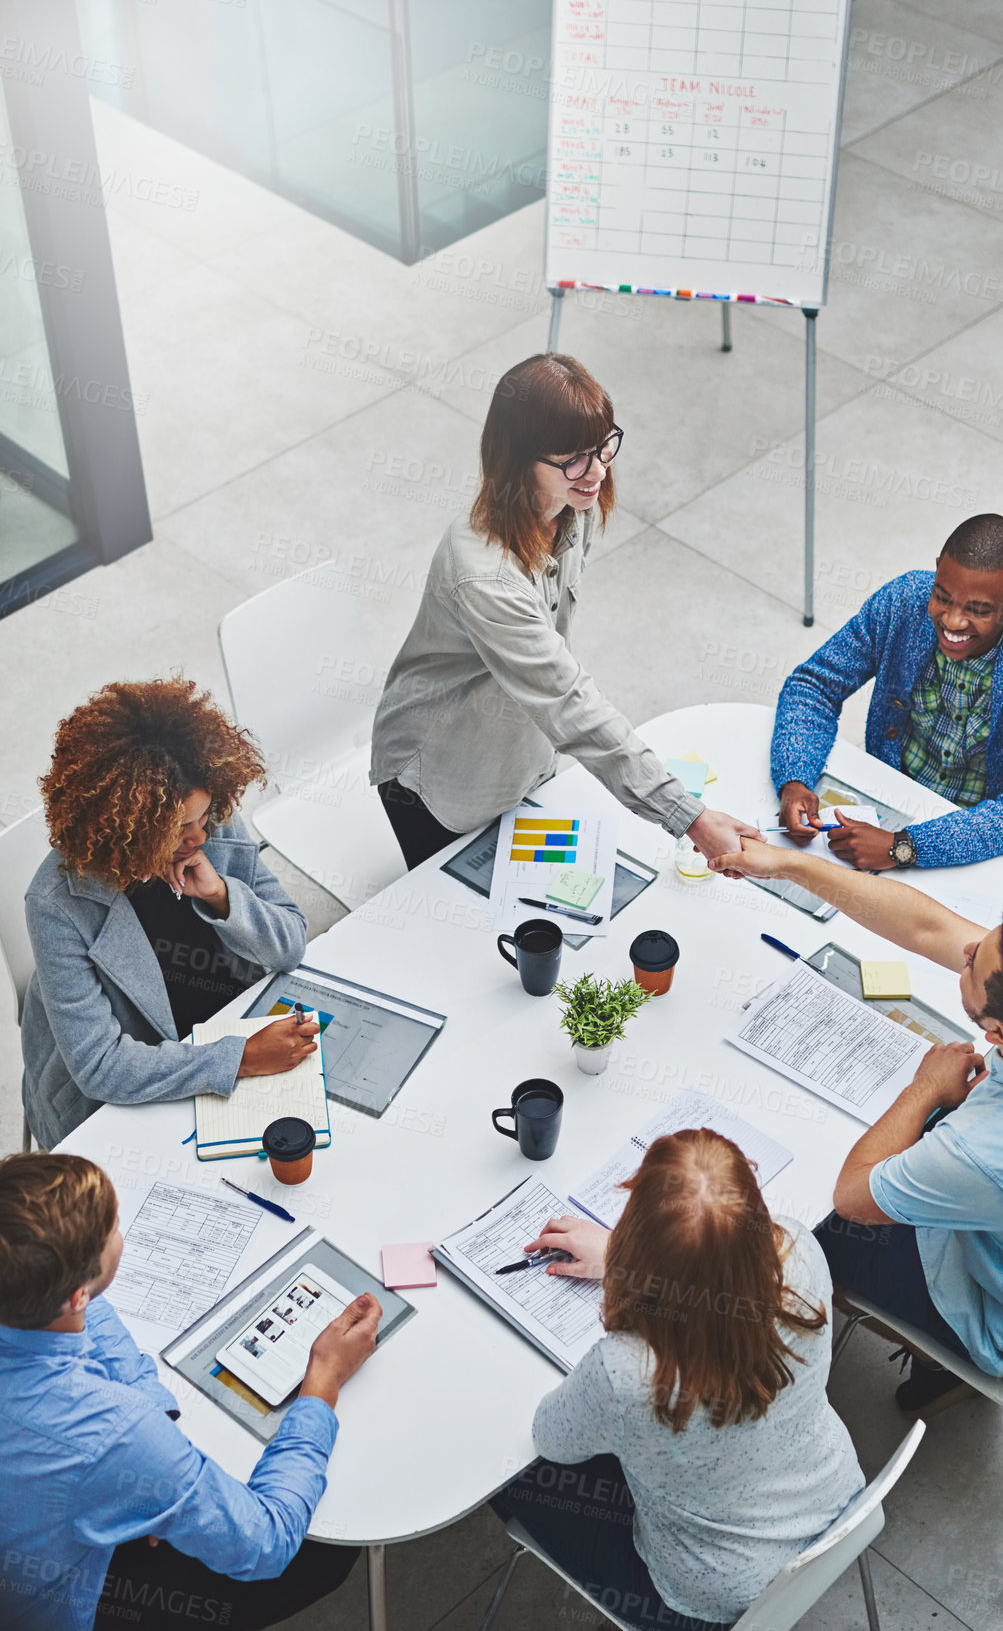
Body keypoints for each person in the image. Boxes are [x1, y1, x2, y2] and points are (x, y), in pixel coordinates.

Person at [709, 836, 1003, 1417]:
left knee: (805, 1234)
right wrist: (788, 863)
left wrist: (924, 1091)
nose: (965, 949)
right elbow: (926, 927)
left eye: (974, 962)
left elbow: (852, 1196)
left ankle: (946, 1365)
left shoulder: (988, 1151)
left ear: (997, 1035)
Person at [370, 353, 759, 869]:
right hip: (444, 783)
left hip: (523, 758)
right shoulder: (485, 575)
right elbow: (565, 698)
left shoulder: (570, 508)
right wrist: (688, 816)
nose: (597, 470)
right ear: (517, 459)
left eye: (602, 448)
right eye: (574, 458)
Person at [489, 1130, 864, 1630]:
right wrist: (635, 1264)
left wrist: (637, 1270)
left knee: (508, 1474)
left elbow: (551, 1439)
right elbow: (724, 1275)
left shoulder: (626, 1373)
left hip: (704, 1599)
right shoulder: (801, 1249)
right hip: (836, 1505)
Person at [0, 1151, 381, 1630]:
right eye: (114, 1227)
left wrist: (150, 1435)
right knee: (326, 1554)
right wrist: (322, 1380)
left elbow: (84, 1314)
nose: (122, 1229)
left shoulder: (22, 1291)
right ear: (76, 1292)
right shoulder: (107, 1433)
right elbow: (267, 1541)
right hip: (61, 1608)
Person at [23, 679, 319, 1148]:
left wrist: (222, 895)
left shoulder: (209, 815)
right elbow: (102, 1066)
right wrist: (239, 1058)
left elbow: (291, 942)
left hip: (227, 1023)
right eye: (180, 828)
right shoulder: (58, 903)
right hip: (135, 1086)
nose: (200, 838)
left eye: (203, 819)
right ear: (129, 828)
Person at [770, 513, 1003, 869]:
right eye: (943, 597)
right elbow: (814, 685)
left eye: (979, 610)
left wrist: (904, 848)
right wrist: (795, 778)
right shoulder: (903, 600)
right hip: (886, 803)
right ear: (938, 569)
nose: (953, 621)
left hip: (982, 838)